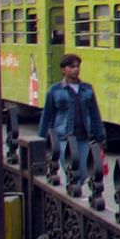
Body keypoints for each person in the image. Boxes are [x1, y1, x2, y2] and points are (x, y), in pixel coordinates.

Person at [38, 54, 106, 184]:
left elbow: (94, 114)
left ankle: (73, 195)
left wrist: (100, 138)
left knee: (84, 171)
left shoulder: (87, 89)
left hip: (83, 137)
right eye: (71, 66)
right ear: (63, 70)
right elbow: (47, 118)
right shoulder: (55, 90)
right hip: (64, 138)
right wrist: (42, 141)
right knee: (73, 170)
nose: (76, 69)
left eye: (77, 66)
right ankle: (72, 197)